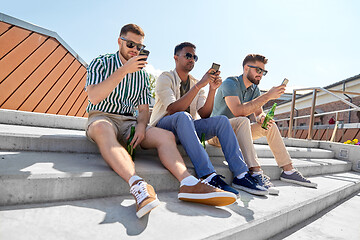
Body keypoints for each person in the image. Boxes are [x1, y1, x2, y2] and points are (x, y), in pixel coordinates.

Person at [84, 24, 237, 219]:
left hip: (130, 122)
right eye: (131, 44)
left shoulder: (141, 74)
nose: (135, 50)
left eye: (139, 47)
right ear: (119, 41)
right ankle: (138, 185)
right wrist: (124, 70)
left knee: (165, 136)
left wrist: (141, 126)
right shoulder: (101, 62)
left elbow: (142, 109)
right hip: (102, 115)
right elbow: (95, 97)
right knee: (103, 128)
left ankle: (188, 183)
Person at [150, 42, 268, 196]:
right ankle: (207, 175)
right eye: (188, 55)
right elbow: (172, 109)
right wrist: (199, 85)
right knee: (183, 116)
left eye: (194, 57)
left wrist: (212, 90)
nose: (192, 59)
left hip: (187, 129)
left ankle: (240, 174)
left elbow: (204, 114)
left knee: (221, 120)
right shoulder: (165, 78)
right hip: (163, 128)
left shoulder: (194, 82)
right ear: (175, 57)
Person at [211, 54, 317, 192]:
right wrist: (267, 96)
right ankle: (255, 172)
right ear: (246, 68)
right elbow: (238, 111)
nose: (261, 75)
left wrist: (262, 118)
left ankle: (288, 170)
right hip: (217, 134)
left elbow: (258, 113)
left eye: (263, 72)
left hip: (238, 131)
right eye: (258, 70)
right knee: (243, 120)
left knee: (268, 125)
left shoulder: (254, 89)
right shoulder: (230, 83)